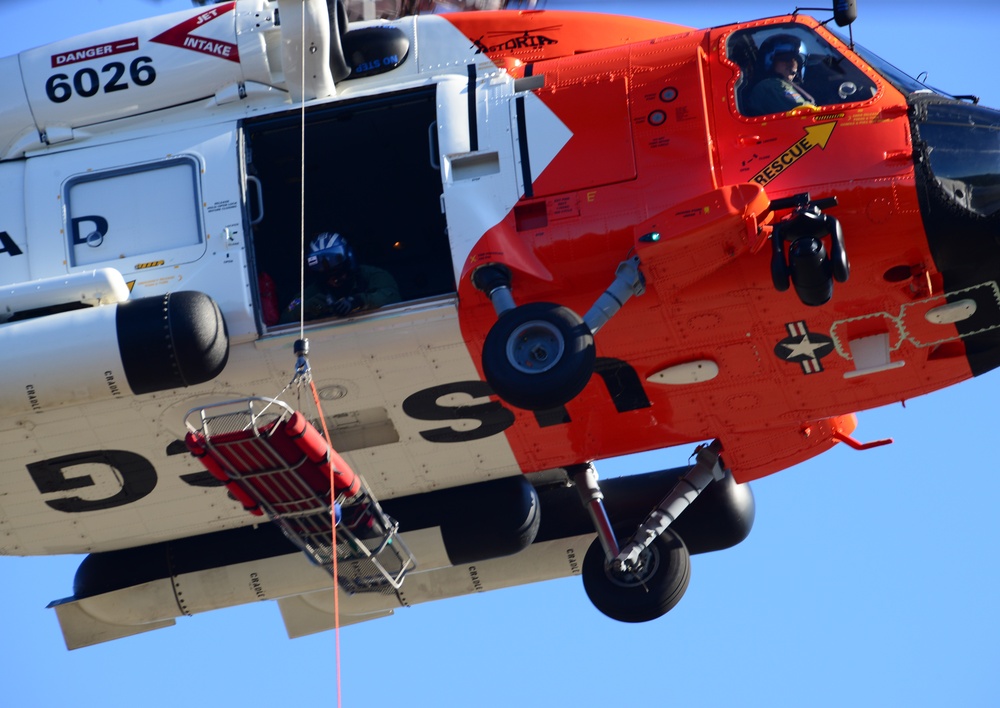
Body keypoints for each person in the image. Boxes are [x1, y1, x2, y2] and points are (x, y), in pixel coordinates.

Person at [282, 232, 401, 322]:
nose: (334, 280)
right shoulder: (313, 292)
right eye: (326, 276)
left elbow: (391, 294)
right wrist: (310, 307)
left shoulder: (372, 275)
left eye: (338, 272)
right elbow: (289, 312)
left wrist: (358, 301)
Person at [748, 34, 817, 115]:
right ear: (771, 62)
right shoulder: (772, 85)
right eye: (785, 59)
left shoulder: (784, 85)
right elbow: (805, 113)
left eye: (796, 60)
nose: (791, 64)